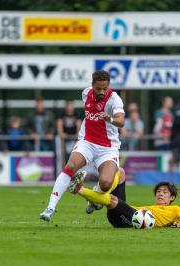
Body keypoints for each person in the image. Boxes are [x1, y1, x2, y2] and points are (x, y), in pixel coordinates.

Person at [40, 70, 125, 222]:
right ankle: (50, 208)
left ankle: (93, 198)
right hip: (87, 142)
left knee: (106, 184)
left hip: (108, 147)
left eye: (105, 88)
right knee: (70, 166)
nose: (102, 91)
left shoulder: (114, 99)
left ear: (109, 86)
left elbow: (121, 121)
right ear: (92, 86)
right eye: (98, 88)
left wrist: (109, 119)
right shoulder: (85, 93)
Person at [68, 169, 180, 228]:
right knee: (121, 172)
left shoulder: (175, 209)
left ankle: (79, 189)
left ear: (172, 197)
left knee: (112, 200)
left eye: (165, 192)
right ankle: (97, 198)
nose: (160, 194)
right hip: (130, 213)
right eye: (159, 191)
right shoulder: (153, 208)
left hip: (133, 220)